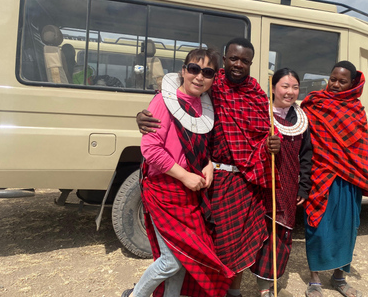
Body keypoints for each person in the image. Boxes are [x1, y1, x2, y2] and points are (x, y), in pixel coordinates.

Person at [136, 37, 281, 297]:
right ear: (225, 60)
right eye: (234, 58)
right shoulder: (212, 89)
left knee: (236, 243)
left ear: (251, 63)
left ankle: (231, 292)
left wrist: (271, 144)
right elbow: (161, 126)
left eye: (245, 61)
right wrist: (141, 115)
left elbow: (262, 133)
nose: (239, 64)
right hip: (206, 185)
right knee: (205, 248)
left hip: (241, 181)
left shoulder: (256, 94)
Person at [122, 48, 234, 297]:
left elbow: (204, 147)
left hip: (188, 193)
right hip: (164, 188)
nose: (199, 77)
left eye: (207, 72)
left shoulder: (205, 105)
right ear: (183, 71)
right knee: (171, 261)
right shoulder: (163, 101)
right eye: (194, 69)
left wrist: (209, 165)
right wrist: (184, 175)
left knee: (185, 257)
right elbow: (150, 149)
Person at [300, 61, 368, 297]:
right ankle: (314, 279)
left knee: (346, 229)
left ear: (352, 84)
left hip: (348, 180)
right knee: (317, 227)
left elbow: (362, 149)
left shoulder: (356, 110)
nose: (336, 84)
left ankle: (339, 277)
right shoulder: (314, 104)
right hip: (320, 176)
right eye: (333, 79)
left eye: (342, 81)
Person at [249, 68, 312, 297]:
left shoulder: (302, 118)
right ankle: (263, 287)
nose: (290, 92)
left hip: (288, 187)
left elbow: (307, 155)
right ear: (273, 87)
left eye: (295, 87)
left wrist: (304, 185)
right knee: (263, 234)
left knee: (283, 235)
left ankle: (271, 281)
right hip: (263, 185)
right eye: (285, 86)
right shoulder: (261, 113)